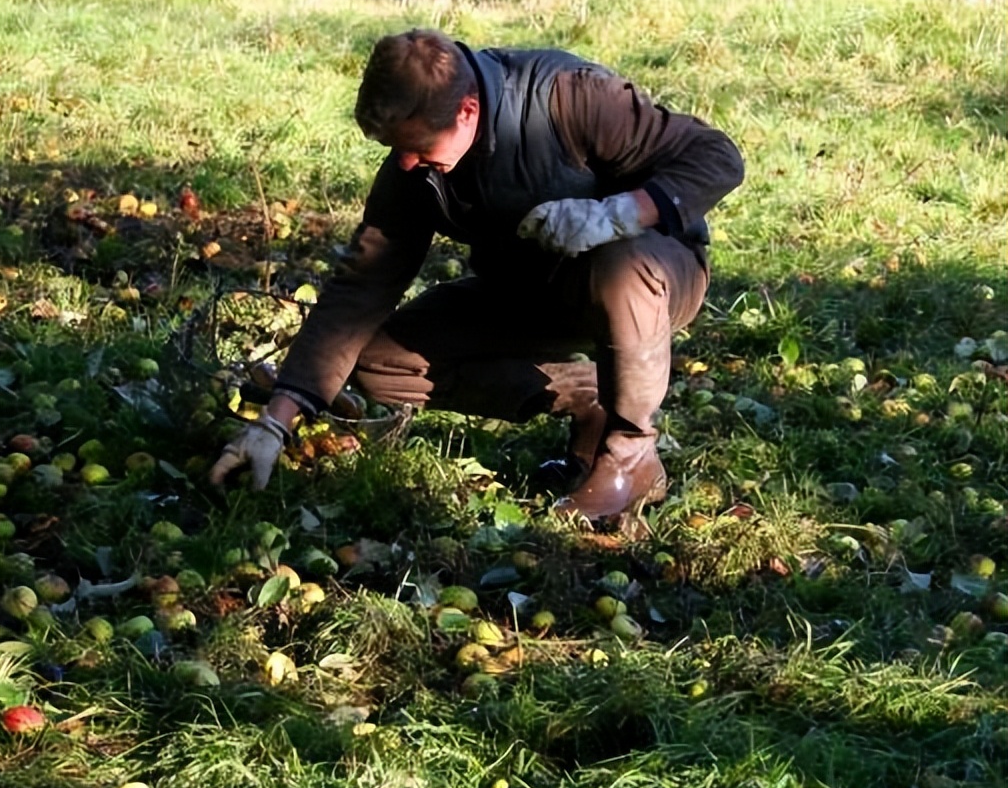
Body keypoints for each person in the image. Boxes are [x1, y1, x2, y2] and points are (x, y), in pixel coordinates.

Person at [210, 28, 744, 522]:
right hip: (530, 294)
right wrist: (277, 419)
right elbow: (362, 285)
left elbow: (717, 157)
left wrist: (617, 216)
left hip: (649, 283)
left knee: (620, 267)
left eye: (418, 148)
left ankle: (630, 460)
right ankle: (591, 398)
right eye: (395, 150)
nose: (404, 164)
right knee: (380, 363)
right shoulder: (414, 164)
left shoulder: (568, 99)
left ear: (468, 110)